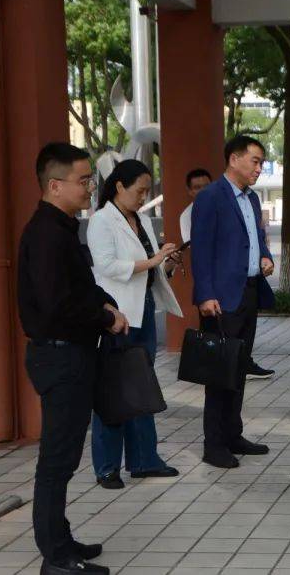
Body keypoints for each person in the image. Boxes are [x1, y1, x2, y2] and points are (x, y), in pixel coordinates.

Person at [19, 142, 127, 575]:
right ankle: (55, 557)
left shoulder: (61, 228)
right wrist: (103, 316)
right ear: (54, 184)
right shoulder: (46, 234)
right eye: (83, 181)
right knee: (57, 460)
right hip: (59, 358)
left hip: (73, 356)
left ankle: (61, 539)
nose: (89, 188)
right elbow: (55, 304)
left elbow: (79, 288)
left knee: (63, 458)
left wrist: (107, 305)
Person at [86, 160, 184, 489]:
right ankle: (107, 467)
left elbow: (149, 270)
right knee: (113, 393)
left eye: (146, 191)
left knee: (142, 390)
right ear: (119, 187)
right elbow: (108, 266)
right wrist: (151, 261)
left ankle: (144, 460)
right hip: (117, 317)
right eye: (139, 190)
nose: (144, 197)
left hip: (143, 311)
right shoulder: (101, 220)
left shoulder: (140, 219)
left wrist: (165, 264)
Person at [190, 135, 276, 469]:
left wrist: (266, 256)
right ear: (234, 159)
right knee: (218, 373)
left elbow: (256, 239)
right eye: (255, 161)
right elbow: (201, 249)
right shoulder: (211, 197)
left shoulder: (252, 200)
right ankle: (214, 445)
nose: (259, 168)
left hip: (250, 291)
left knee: (239, 368)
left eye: (261, 162)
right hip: (221, 299)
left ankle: (233, 434)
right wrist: (205, 294)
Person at [179, 168, 212, 243]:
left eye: (207, 186)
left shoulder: (226, 206)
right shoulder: (186, 216)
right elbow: (192, 245)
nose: (204, 191)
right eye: (197, 187)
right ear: (189, 191)